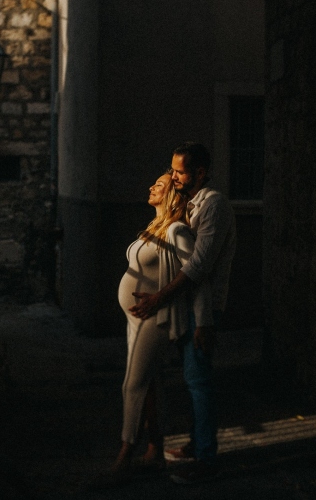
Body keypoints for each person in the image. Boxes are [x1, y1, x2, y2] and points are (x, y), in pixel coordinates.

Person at [130, 142, 236, 484]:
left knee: (198, 380)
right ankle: (196, 444)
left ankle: (207, 460)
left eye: (180, 171)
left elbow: (199, 268)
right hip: (186, 306)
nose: (173, 176)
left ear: (200, 173)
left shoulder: (214, 205)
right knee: (192, 379)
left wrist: (161, 300)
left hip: (202, 309)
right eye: (172, 169)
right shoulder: (188, 205)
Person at [102, 172, 211, 486]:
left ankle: (125, 454)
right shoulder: (154, 228)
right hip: (135, 318)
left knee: (132, 384)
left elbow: (196, 275)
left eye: (159, 185)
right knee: (151, 384)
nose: (151, 186)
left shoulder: (177, 231)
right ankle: (155, 451)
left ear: (172, 195)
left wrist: (203, 321)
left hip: (156, 318)